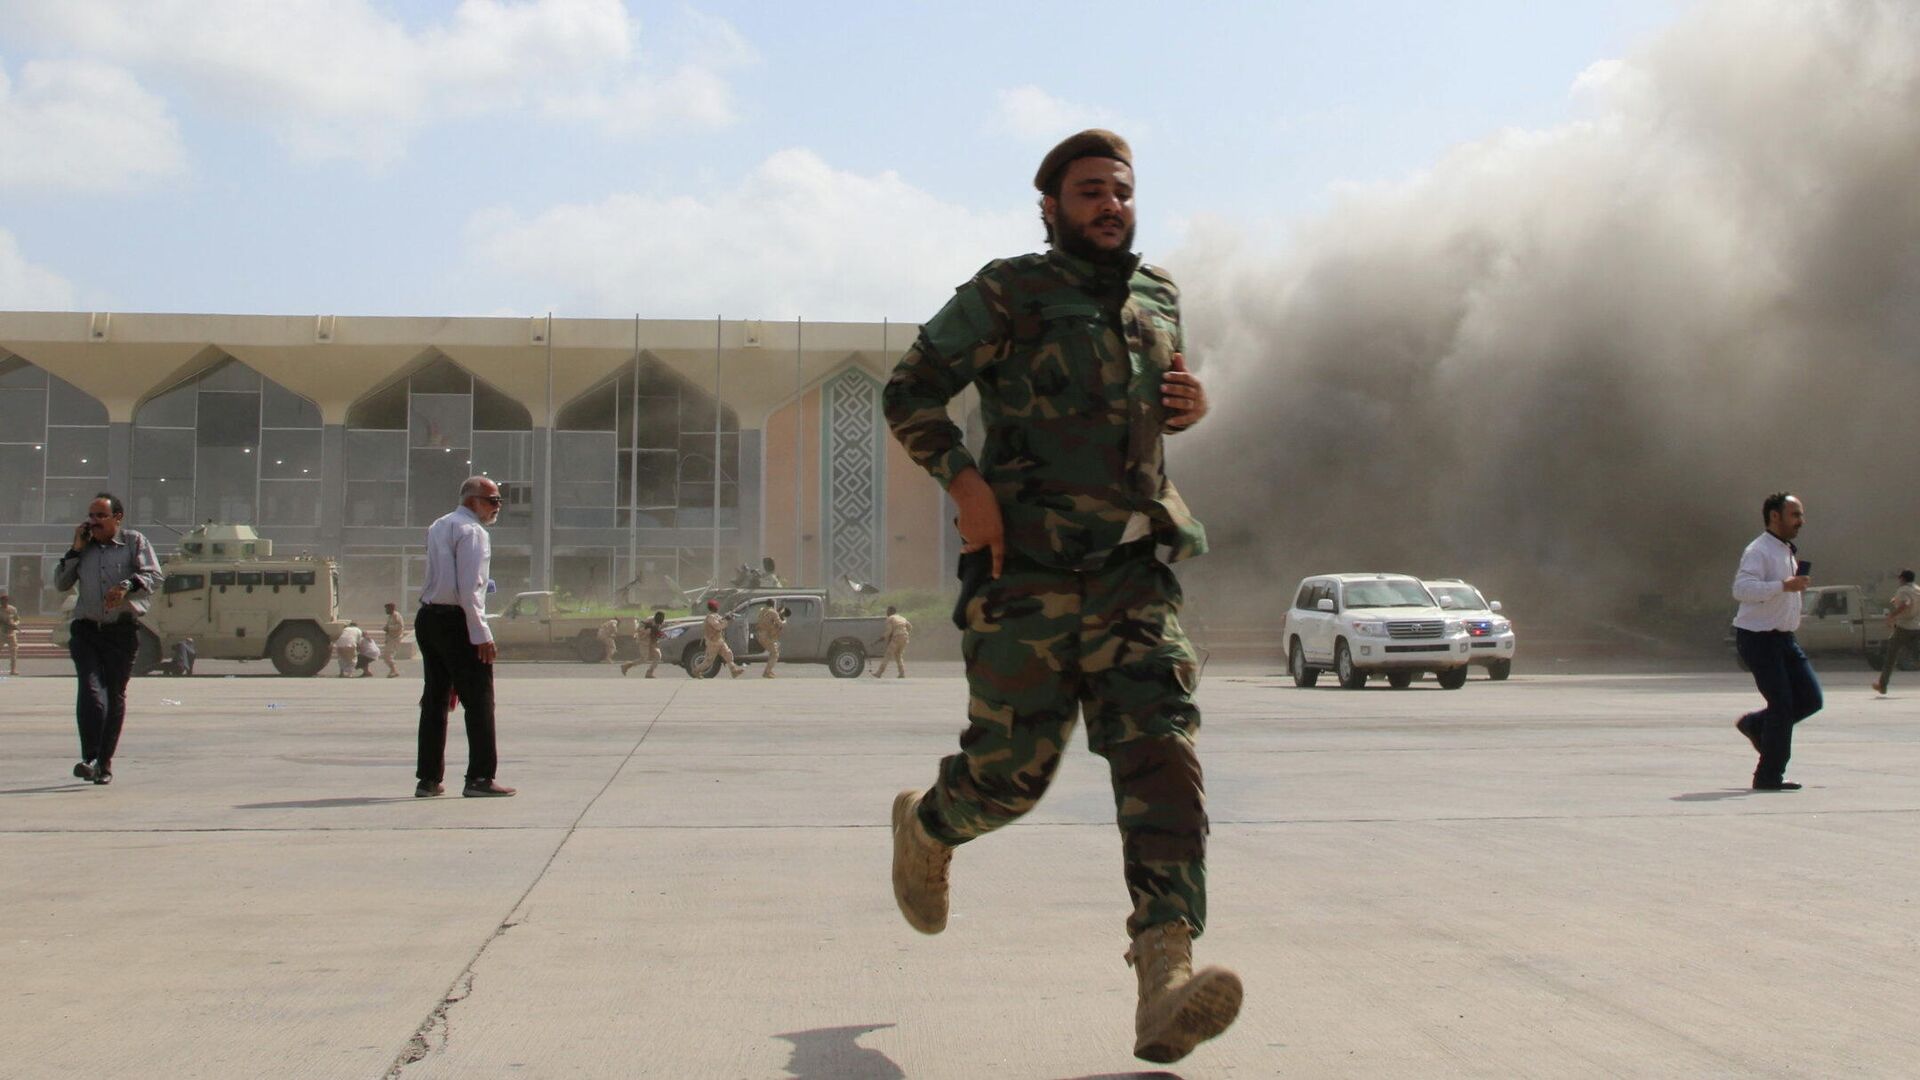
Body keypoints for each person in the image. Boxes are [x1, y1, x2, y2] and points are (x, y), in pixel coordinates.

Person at [880, 130, 1235, 1063]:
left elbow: (1146, 409)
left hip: (1132, 574)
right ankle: (929, 825)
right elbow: (910, 389)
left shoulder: (1159, 294)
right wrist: (966, 486)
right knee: (1011, 777)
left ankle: (1165, 976)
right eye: (1089, 192)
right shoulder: (1008, 290)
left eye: (1120, 191)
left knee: (1163, 763)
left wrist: (1185, 404)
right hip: (1028, 580)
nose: (1109, 205)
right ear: (1050, 206)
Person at [415, 476, 514, 798]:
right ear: (474, 500)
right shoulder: (473, 532)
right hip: (458, 621)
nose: (497, 507)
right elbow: (470, 589)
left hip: (429, 617)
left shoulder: (440, 525)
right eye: (493, 500)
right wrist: (481, 634)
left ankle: (428, 779)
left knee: (435, 701)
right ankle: (480, 777)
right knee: (479, 701)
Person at [54, 493, 163, 785]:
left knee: (113, 696)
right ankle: (88, 757)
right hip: (87, 631)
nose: (94, 522)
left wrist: (126, 586)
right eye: (91, 516)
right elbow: (61, 583)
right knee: (90, 691)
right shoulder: (83, 547)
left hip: (121, 632)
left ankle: (103, 763)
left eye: (101, 516)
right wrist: (75, 550)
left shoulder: (134, 542)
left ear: (118, 518)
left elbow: (154, 576)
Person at [1732, 491, 1822, 791]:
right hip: (1759, 638)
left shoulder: (1785, 550)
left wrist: (1790, 589)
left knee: (1810, 698)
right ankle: (1768, 776)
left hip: (1784, 638)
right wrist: (1784, 585)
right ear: (1775, 516)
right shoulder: (1758, 550)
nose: (1801, 521)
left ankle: (1756, 724)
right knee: (1782, 705)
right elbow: (1742, 589)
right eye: (1795, 514)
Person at [1873, 569, 1920, 694]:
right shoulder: (1917, 589)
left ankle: (1882, 685)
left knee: (1891, 657)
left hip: (1903, 628)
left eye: (1900, 578)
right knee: (1917, 655)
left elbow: (1905, 604)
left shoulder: (1903, 590)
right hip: (1916, 627)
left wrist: (1892, 616)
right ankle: (1882, 685)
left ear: (1903, 579)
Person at [697, 599, 744, 678]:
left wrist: (728, 617)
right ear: (713, 608)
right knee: (709, 661)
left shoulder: (716, 616)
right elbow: (718, 627)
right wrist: (726, 620)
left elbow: (722, 621)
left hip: (719, 640)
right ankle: (696, 671)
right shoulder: (711, 617)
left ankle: (734, 670)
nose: (717, 608)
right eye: (716, 607)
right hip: (713, 641)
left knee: (728, 654)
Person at [621, 611, 668, 677]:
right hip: (644, 641)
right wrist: (648, 630)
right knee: (644, 658)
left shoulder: (660, 621)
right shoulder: (648, 621)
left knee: (658, 655)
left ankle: (649, 672)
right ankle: (626, 665)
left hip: (652, 642)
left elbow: (660, 629)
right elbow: (638, 629)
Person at [871, 606, 911, 679]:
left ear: (890, 612)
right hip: (905, 638)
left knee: (887, 655)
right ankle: (902, 673)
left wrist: (881, 638)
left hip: (897, 638)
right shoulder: (902, 618)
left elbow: (888, 632)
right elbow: (910, 627)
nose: (886, 613)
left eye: (887, 611)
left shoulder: (890, 618)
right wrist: (904, 632)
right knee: (898, 656)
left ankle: (879, 673)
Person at [756, 601, 787, 678]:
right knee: (775, 653)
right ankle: (767, 672)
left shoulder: (762, 610)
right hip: (766, 636)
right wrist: (785, 620)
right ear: (773, 604)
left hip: (759, 634)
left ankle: (768, 670)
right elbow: (780, 624)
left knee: (773, 651)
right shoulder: (773, 612)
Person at [382, 602, 404, 678]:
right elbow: (388, 626)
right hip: (390, 638)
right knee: (386, 655)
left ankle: (394, 670)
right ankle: (393, 670)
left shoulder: (396, 615)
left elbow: (400, 626)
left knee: (387, 655)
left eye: (387, 609)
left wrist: (389, 628)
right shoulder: (390, 616)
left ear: (391, 608)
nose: (386, 610)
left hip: (395, 638)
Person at [1, 592, 19, 676]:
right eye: (2, 601)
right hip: (1, 634)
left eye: (5, 600)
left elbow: (17, 619)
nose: (4, 602)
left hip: (11, 634)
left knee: (13, 652)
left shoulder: (13, 609)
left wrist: (14, 624)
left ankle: (13, 670)